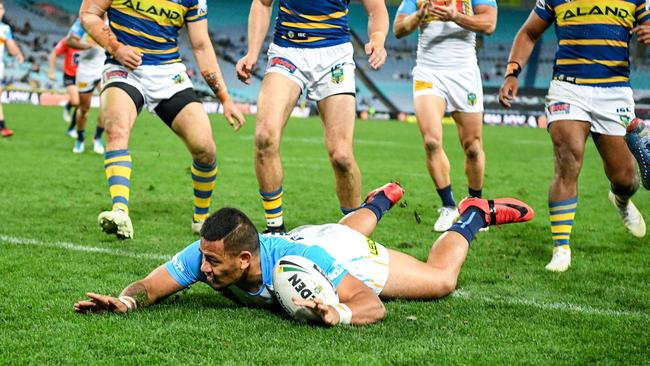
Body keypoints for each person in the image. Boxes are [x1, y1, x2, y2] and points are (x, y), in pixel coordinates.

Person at [73, 182, 535, 326]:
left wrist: (340, 313)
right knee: (337, 229)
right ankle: (378, 201)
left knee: (439, 282)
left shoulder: (306, 264)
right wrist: (126, 299)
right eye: (204, 260)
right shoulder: (212, 250)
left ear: (245, 262)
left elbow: (371, 305)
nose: (204, 269)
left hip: (343, 255)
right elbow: (152, 286)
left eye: (214, 264)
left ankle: (472, 216)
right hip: (312, 236)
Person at [498, 0, 648, 272]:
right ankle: (561, 247)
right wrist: (512, 72)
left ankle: (621, 199)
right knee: (568, 160)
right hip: (568, 88)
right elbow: (529, 32)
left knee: (625, 178)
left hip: (614, 92)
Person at [79, 0, 245, 239]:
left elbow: (200, 45)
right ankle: (120, 210)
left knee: (205, 148)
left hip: (168, 73)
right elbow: (89, 14)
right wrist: (116, 47)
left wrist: (225, 98)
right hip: (123, 68)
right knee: (116, 128)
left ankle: (201, 219)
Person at [236, 0, 389, 233]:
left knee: (342, 156)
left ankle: (353, 234)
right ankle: (275, 228)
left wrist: (377, 39)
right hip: (287, 50)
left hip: (334, 56)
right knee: (265, 137)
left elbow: (376, 9)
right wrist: (252, 52)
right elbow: (262, 3)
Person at [393, 0, 497, 232]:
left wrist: (455, 16)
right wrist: (419, 15)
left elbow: (489, 24)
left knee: (472, 146)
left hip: (464, 73)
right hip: (429, 71)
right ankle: (449, 206)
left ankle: (474, 204)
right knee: (431, 141)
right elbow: (398, 29)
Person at [66, 18, 106, 154]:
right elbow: (70, 41)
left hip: (104, 68)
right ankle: (80, 138)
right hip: (85, 70)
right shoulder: (85, 20)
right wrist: (87, 46)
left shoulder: (114, 18)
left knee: (107, 106)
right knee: (84, 109)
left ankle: (98, 138)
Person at [48, 35, 81, 138]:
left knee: (81, 104)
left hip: (84, 76)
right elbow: (54, 53)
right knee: (76, 102)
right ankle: (68, 106)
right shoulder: (68, 40)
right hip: (70, 75)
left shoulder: (91, 39)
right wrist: (51, 72)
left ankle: (71, 129)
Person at [0, 0, 24, 138]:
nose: (1, 11)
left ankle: (2, 126)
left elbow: (11, 45)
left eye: (2, 8)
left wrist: (18, 54)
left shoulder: (4, 29)